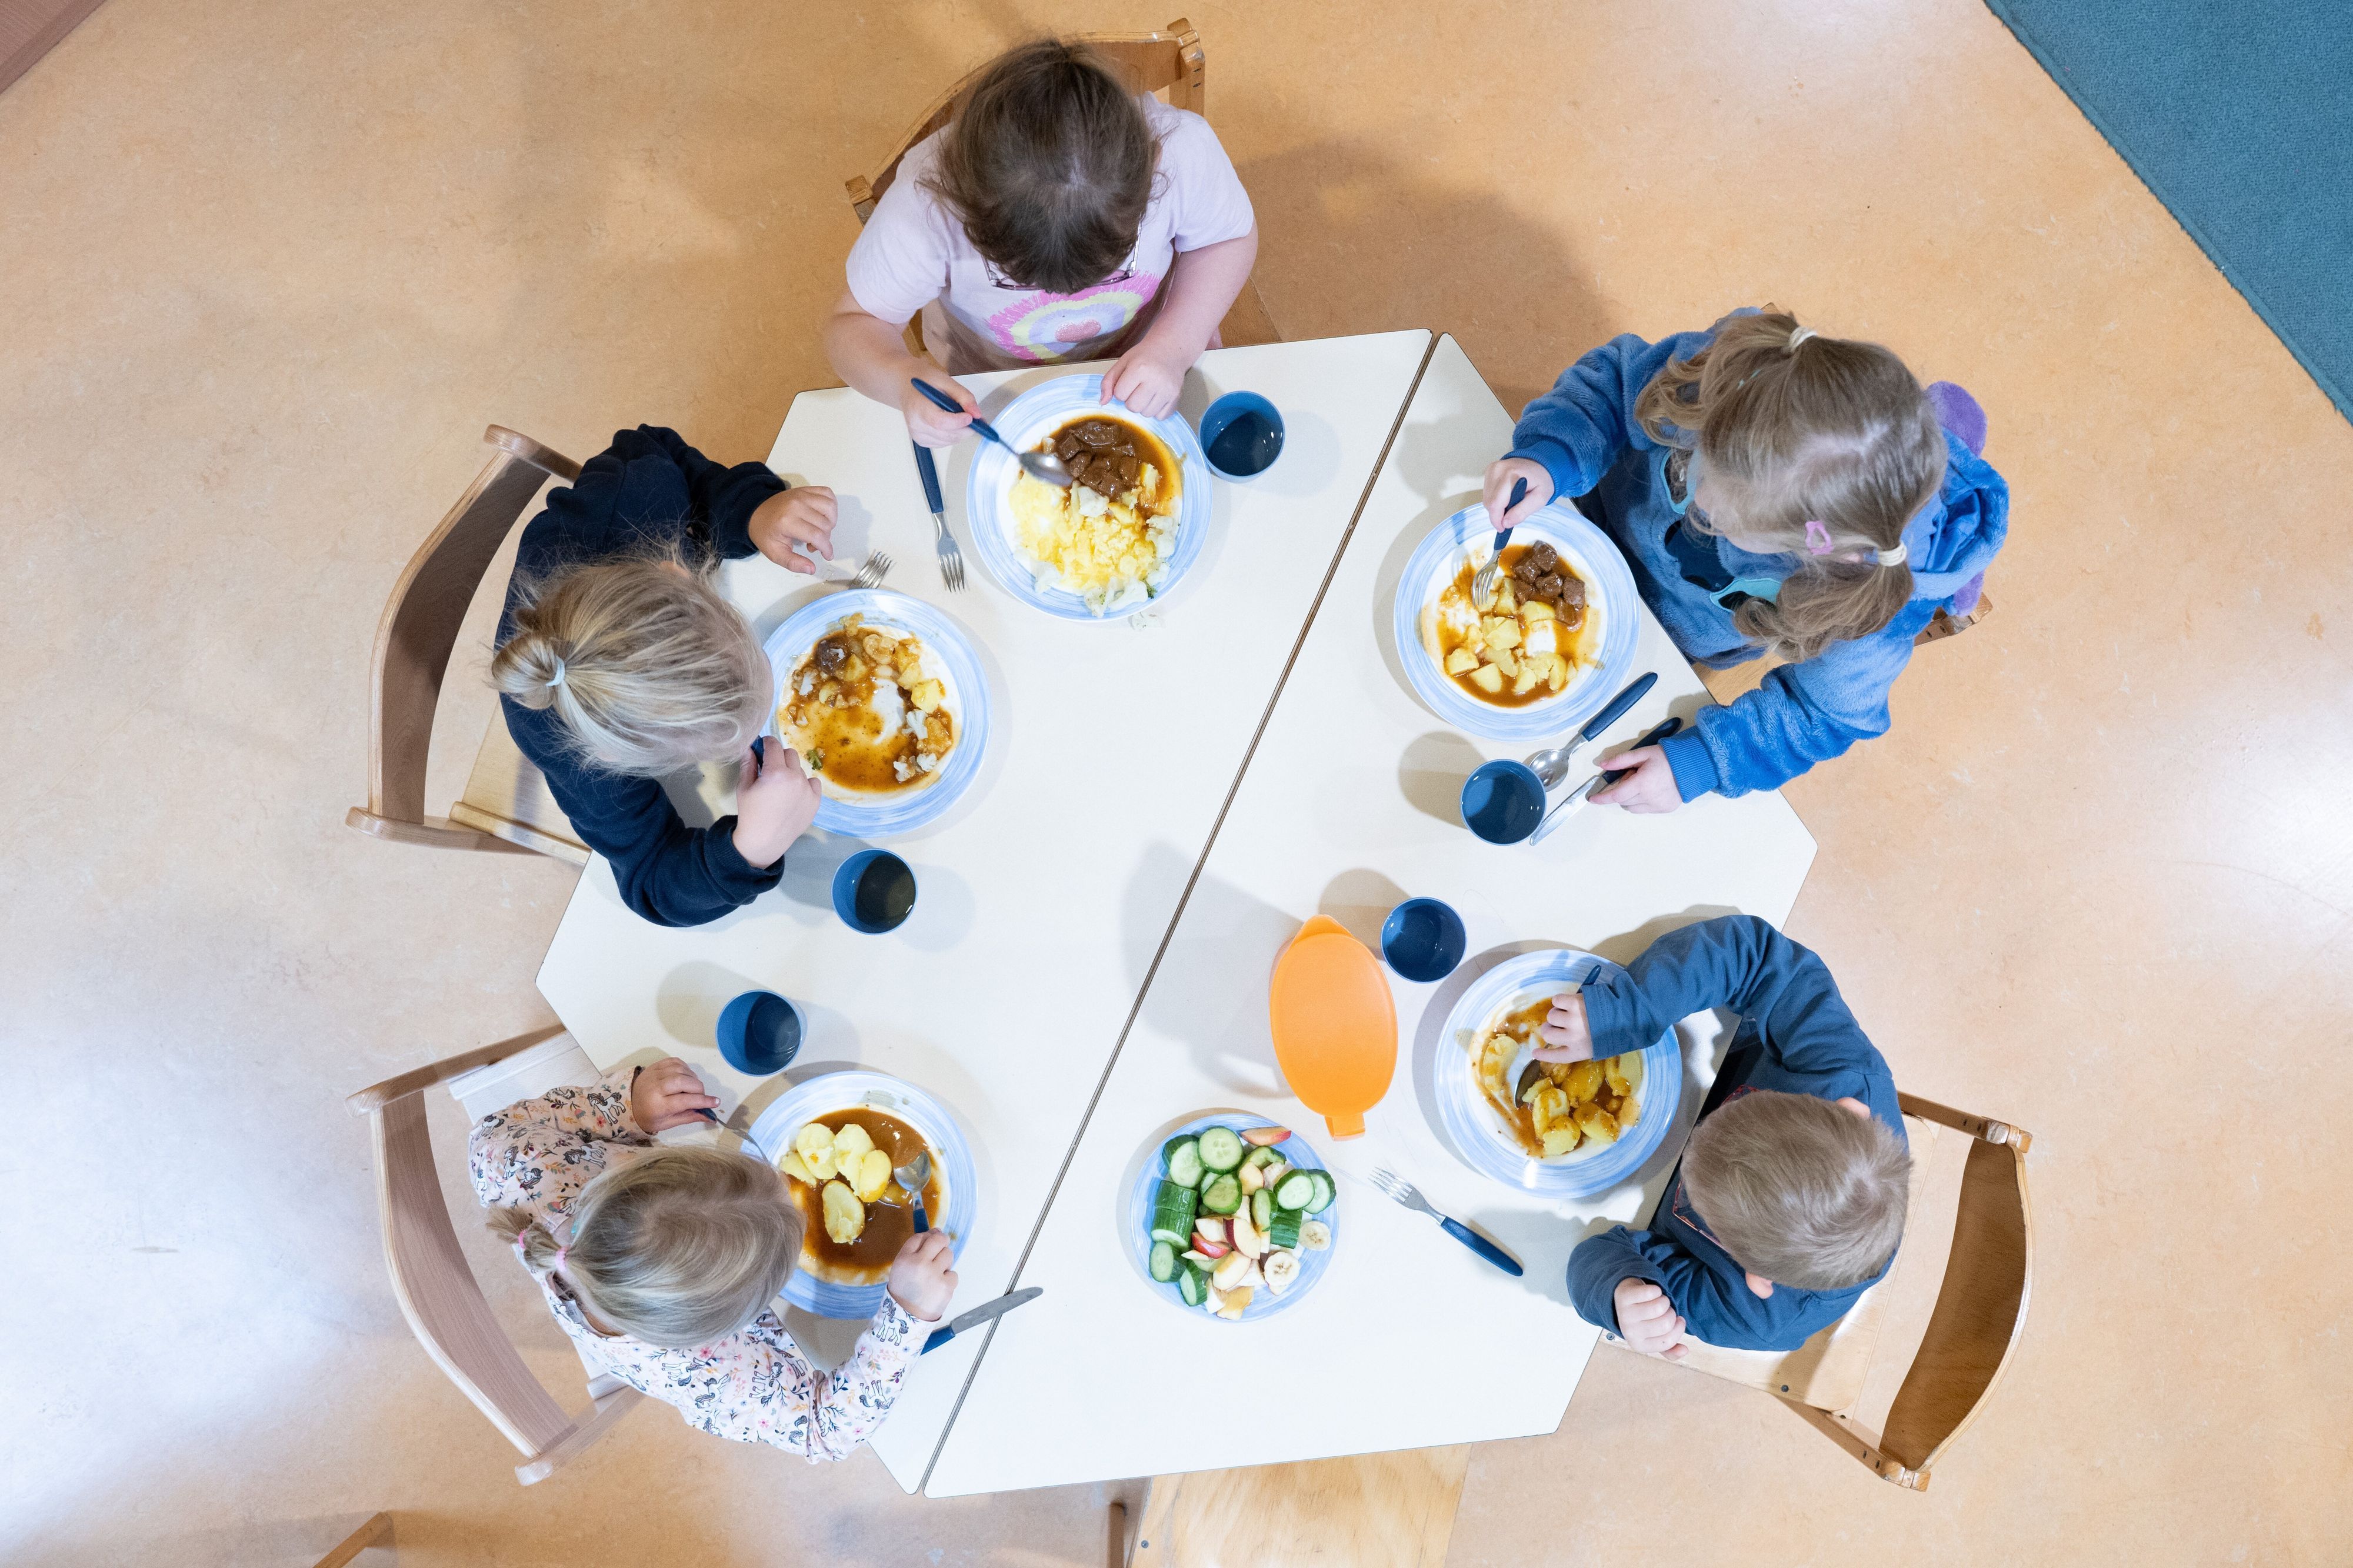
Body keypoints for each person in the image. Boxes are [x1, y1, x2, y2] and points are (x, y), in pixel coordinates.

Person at [1481, 309, 2008, 809]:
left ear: (1819, 550)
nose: (1697, 500)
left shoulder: (1867, 612)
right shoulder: (1736, 384)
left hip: (1666, 639)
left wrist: (1702, 762)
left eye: (1721, 519)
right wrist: (1554, 453)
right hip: (1589, 509)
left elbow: (1820, 716)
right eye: (1693, 465)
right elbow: (1614, 386)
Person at [473, 1056, 958, 1459]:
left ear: (650, 1168)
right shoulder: (709, 1374)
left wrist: (624, 1108)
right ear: (736, 1318)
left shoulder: (527, 1170)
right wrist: (907, 1317)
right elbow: (824, 1433)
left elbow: (494, 1132)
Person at [825, 37, 1259, 437]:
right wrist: (902, 381)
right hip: (991, 377)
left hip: (1156, 347)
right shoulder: (924, 206)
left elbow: (1225, 240)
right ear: (963, 207)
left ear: (1153, 170)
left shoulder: (1182, 153)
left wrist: (1176, 345)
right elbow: (854, 325)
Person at [490, 425, 834, 926]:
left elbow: (659, 449)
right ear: (616, 760)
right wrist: (749, 852)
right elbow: (651, 883)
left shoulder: (636, 491)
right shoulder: (571, 747)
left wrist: (751, 513)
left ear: (679, 571)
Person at [1539, 916, 1909, 1355]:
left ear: (1758, 1277)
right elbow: (1755, 955)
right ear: (1845, 1109)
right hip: (1708, 1053)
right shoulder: (1843, 1074)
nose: (1691, 1135)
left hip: (1614, 1188)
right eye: (1744, 1110)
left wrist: (1620, 1297)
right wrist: (1623, 1012)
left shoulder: (1752, 1316)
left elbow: (1599, 1261)